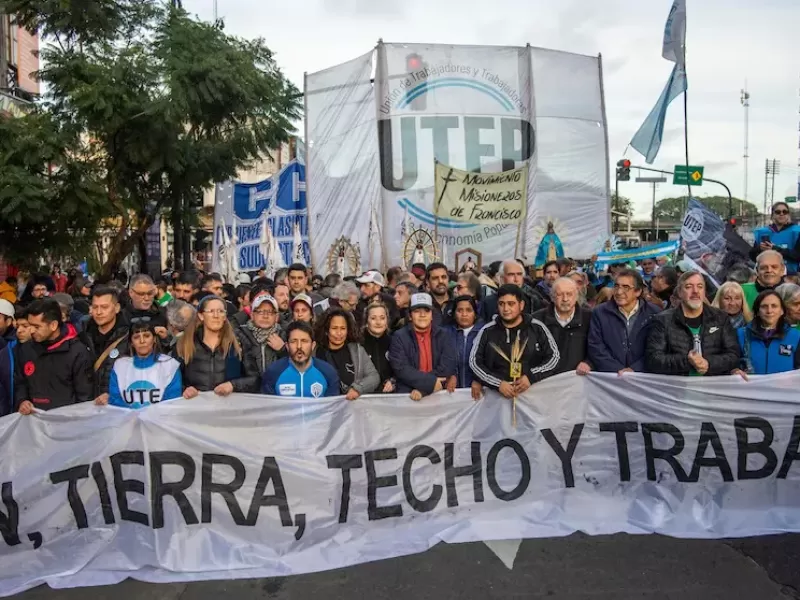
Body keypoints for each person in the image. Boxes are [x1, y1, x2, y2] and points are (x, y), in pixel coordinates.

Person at [470, 284, 559, 399]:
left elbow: (554, 357)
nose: (506, 309)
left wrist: (531, 377)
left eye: (511, 304)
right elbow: (474, 363)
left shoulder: (536, 327)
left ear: (521, 305)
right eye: (501, 304)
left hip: (532, 397)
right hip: (497, 398)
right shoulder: (487, 331)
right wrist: (497, 383)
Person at [646, 271, 740, 376]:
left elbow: (733, 355)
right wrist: (688, 361)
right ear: (680, 292)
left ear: (704, 292)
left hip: (712, 387)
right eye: (689, 287)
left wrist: (708, 363)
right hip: (678, 389)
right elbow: (653, 359)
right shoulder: (662, 320)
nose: (695, 291)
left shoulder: (721, 318)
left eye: (700, 286)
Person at [15, 299, 94, 414]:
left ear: (53, 325)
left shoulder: (77, 352)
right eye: (29, 325)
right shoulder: (26, 349)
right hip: (34, 422)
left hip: (66, 422)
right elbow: (20, 382)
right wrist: (22, 401)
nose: (31, 331)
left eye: (37, 327)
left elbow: (85, 395)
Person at [587, 269, 661, 374]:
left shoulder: (654, 313)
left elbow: (658, 348)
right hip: (610, 378)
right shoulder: (599, 312)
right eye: (616, 286)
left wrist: (635, 369)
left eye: (626, 287)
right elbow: (595, 347)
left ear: (638, 291)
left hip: (643, 379)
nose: (619, 292)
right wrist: (617, 370)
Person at [174, 296, 247, 398]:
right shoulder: (185, 344)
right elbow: (171, 378)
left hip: (229, 408)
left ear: (225, 316)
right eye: (211, 311)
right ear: (201, 315)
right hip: (195, 408)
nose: (216, 316)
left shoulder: (238, 344)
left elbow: (254, 379)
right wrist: (185, 389)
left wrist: (233, 385)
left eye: (221, 311)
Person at [101, 319, 183, 409]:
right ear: (131, 343)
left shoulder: (169, 365)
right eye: (136, 337)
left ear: (154, 339)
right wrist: (133, 416)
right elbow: (115, 399)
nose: (142, 341)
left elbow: (172, 400)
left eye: (146, 336)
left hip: (159, 421)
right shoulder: (120, 366)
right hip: (127, 422)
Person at [389, 293, 456, 400]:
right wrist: (430, 383)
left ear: (432, 315)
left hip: (439, 395)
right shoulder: (399, 336)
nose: (422, 315)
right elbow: (401, 369)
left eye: (427, 311)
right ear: (410, 316)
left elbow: (446, 367)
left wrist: (423, 389)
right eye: (417, 311)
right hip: (408, 397)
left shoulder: (444, 335)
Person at [261, 321, 340, 397]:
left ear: (313, 346)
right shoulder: (273, 372)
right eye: (294, 341)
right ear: (287, 346)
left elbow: (332, 408)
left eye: (304, 341)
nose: (299, 346)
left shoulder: (328, 372)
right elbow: (269, 408)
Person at [314, 308, 379, 399]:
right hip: (325, 406)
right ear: (326, 331)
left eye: (343, 328)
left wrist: (357, 389)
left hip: (352, 408)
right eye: (334, 328)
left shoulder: (357, 351)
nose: (339, 333)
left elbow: (374, 377)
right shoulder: (316, 352)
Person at [532, 278, 593, 377]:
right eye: (560, 294)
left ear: (576, 296)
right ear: (552, 297)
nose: (565, 299)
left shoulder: (589, 318)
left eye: (569, 294)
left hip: (578, 380)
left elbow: (597, 347)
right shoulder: (536, 320)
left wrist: (589, 363)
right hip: (545, 381)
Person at [734, 290, 800, 376]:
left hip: (784, 388)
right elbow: (731, 363)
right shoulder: (741, 334)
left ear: (782, 311)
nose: (769, 311)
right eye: (764, 306)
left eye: (774, 306)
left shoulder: (796, 336)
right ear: (757, 311)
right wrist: (734, 370)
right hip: (750, 388)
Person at [82, 286, 129, 403]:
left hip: (117, 406)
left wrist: (114, 396)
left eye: (104, 307)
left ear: (117, 308)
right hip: (88, 405)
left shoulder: (129, 338)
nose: (98, 312)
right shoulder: (82, 336)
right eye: (95, 307)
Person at [235, 295, 285, 392]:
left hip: (277, 394)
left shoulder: (285, 335)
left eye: (270, 312)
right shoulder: (239, 335)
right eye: (260, 311)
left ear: (276, 317)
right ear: (252, 315)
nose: (265, 316)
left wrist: (283, 350)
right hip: (248, 394)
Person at [482, 259, 548, 321]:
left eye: (519, 274)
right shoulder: (489, 302)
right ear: (501, 278)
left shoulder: (533, 299)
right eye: (511, 275)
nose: (516, 279)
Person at [448, 295, 484, 400]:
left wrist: (479, 379)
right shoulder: (445, 333)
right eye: (459, 310)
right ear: (454, 314)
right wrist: (450, 374)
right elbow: (442, 358)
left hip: (478, 392)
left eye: (469, 310)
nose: (464, 314)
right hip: (452, 393)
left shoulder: (485, 332)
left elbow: (489, 361)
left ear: (475, 314)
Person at [749, 202, 800, 274]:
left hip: (790, 276)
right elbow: (752, 255)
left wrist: (775, 249)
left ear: (788, 215)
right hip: (767, 275)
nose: (781, 214)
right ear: (772, 215)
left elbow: (797, 256)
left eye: (785, 212)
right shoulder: (763, 232)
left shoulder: (797, 232)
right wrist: (759, 249)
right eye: (778, 212)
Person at [362, 303, 395, 393]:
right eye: (373, 318)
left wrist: (393, 381)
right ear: (366, 321)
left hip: (389, 396)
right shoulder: (357, 344)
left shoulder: (395, 342)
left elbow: (400, 368)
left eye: (382, 318)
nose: (378, 322)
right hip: (364, 397)